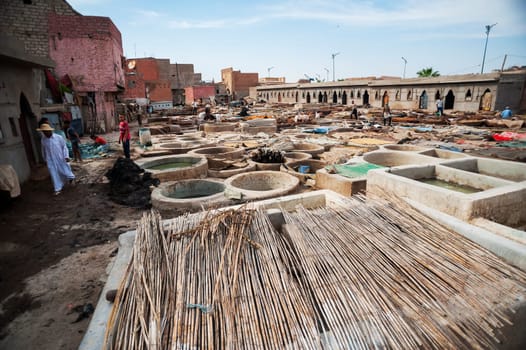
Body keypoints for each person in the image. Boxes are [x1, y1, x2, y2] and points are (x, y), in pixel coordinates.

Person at [37, 123, 75, 195]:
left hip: (60, 158)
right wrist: (45, 159)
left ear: (50, 131)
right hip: (50, 159)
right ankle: (57, 188)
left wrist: (66, 156)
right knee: (53, 173)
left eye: (46, 131)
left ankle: (71, 178)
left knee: (65, 170)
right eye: (43, 132)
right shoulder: (43, 140)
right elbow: (43, 150)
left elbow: (64, 147)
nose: (45, 133)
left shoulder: (58, 137)